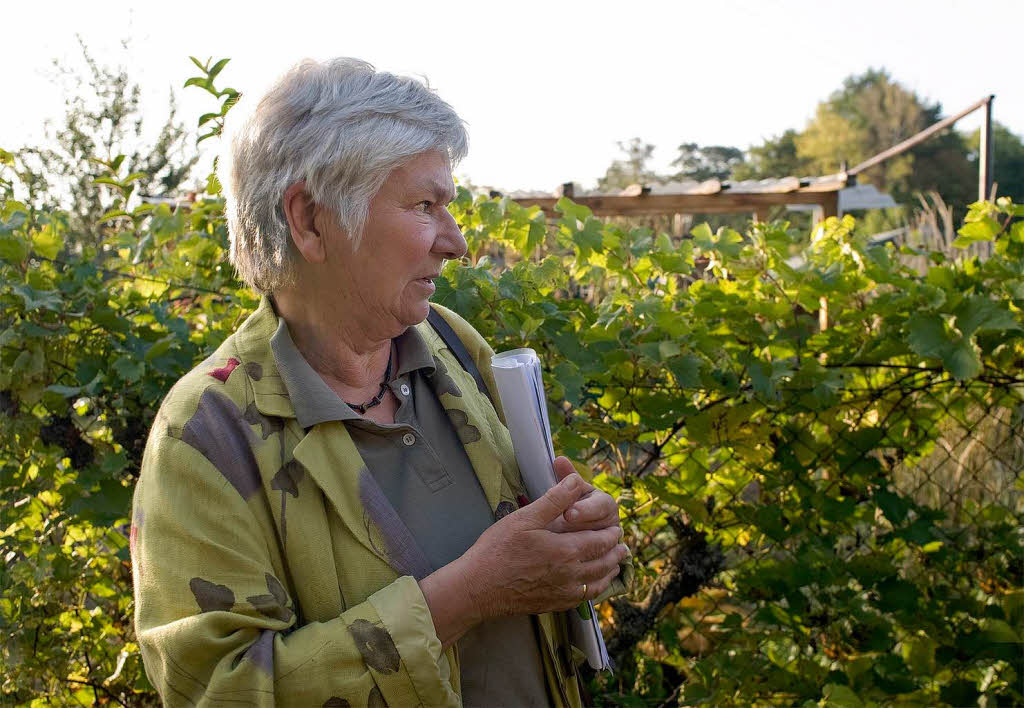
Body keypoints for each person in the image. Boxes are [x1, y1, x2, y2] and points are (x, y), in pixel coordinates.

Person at [130, 58, 630, 707]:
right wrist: (471, 592)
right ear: (311, 221)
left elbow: (537, 565)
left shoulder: (452, 345)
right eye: (425, 205)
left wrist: (581, 545)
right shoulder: (208, 431)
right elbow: (216, 693)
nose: (456, 243)